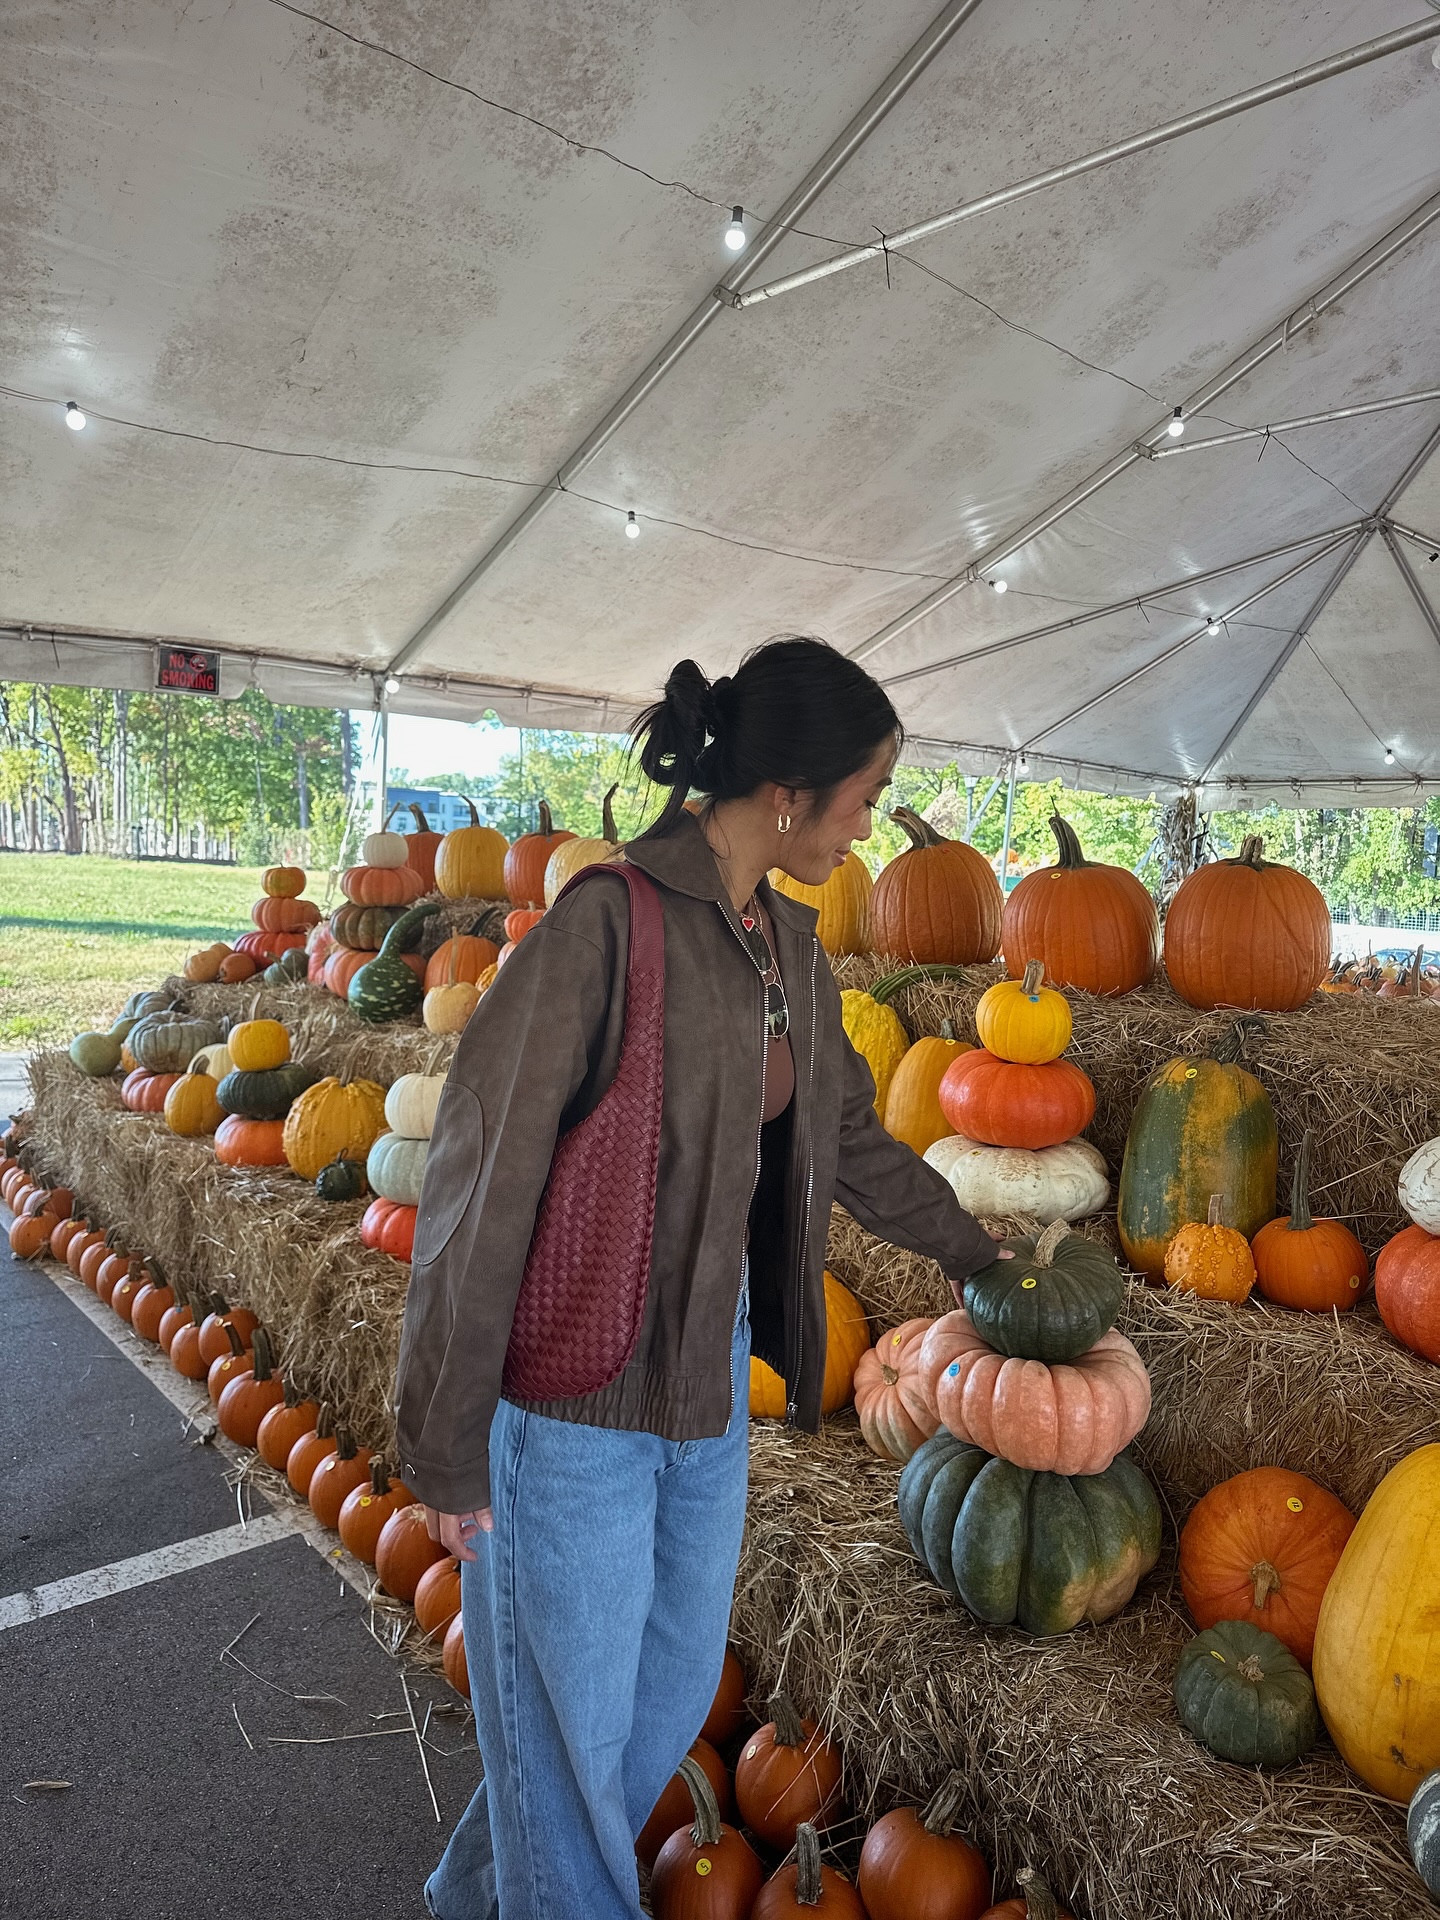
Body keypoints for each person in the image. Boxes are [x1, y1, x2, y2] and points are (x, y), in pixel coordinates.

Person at [395, 636, 1002, 1920]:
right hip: (572, 1398)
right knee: (568, 1740)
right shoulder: (601, 926)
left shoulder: (787, 940)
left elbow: (842, 1136)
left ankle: (470, 1896)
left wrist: (979, 1249)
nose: (873, 825)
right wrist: (445, 1445)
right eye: (866, 795)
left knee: (659, 1702)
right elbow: (476, 1179)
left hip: (704, 1378)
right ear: (789, 790)